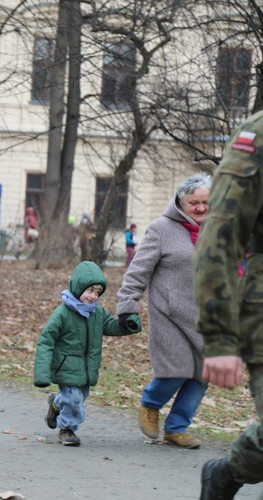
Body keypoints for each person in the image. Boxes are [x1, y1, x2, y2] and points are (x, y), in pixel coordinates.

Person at [195, 112, 263, 498]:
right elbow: (221, 233)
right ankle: (229, 471)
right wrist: (220, 336)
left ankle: (228, 472)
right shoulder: (258, 135)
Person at [116, 173, 211, 449]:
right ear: (181, 202)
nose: (201, 208)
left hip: (207, 316)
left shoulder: (218, 230)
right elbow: (138, 270)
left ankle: (177, 427)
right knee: (175, 369)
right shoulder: (161, 228)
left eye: (206, 202)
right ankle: (150, 403)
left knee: (203, 375)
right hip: (170, 313)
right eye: (194, 202)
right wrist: (127, 305)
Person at [34, 261, 141, 446]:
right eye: (90, 290)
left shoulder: (97, 313)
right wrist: (42, 372)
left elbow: (112, 327)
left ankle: (56, 403)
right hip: (66, 367)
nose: (93, 296)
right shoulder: (62, 314)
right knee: (74, 400)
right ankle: (67, 430)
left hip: (86, 369)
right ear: (78, 287)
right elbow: (46, 340)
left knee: (77, 398)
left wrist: (127, 324)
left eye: (97, 292)